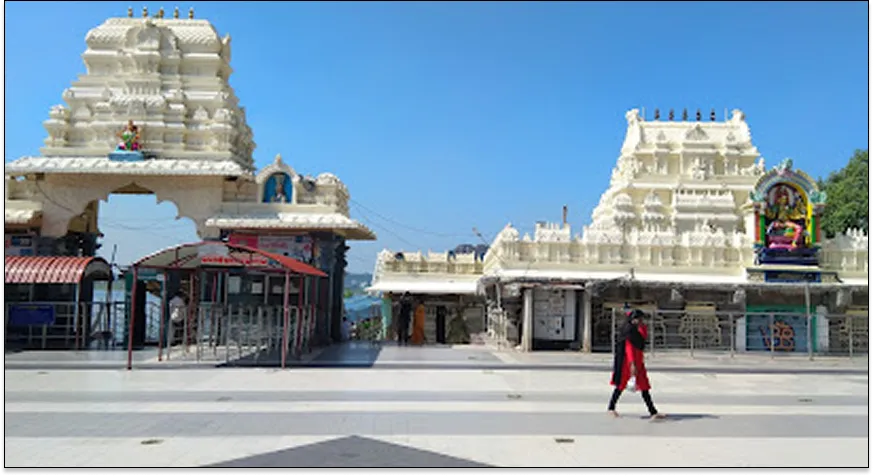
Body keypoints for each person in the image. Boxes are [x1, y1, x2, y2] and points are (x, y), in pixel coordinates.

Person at [608, 309, 665, 419]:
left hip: (638, 362)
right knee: (620, 386)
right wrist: (632, 364)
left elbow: (642, 339)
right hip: (628, 364)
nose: (641, 321)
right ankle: (611, 408)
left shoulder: (637, 330)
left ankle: (653, 412)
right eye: (639, 319)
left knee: (644, 387)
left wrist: (642, 327)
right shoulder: (629, 331)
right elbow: (629, 349)